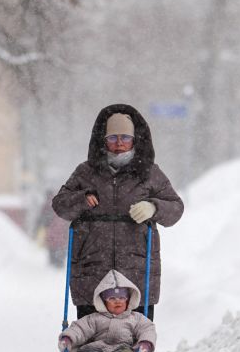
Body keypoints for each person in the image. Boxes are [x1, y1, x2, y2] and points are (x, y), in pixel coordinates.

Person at [52, 103, 183, 320]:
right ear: (103, 141)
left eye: (125, 137)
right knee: (90, 335)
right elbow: (60, 205)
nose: (119, 143)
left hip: (136, 271)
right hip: (92, 269)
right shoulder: (85, 172)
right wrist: (81, 200)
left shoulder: (149, 172)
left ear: (135, 139)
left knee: (135, 335)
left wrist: (153, 207)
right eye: (113, 138)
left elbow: (176, 208)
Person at [58, 270, 156, 352]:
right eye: (112, 298)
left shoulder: (135, 318)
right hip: (96, 349)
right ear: (103, 302)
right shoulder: (95, 318)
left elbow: (147, 328)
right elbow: (80, 328)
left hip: (121, 349)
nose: (117, 301)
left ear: (128, 300)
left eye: (122, 297)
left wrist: (145, 343)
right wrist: (68, 338)